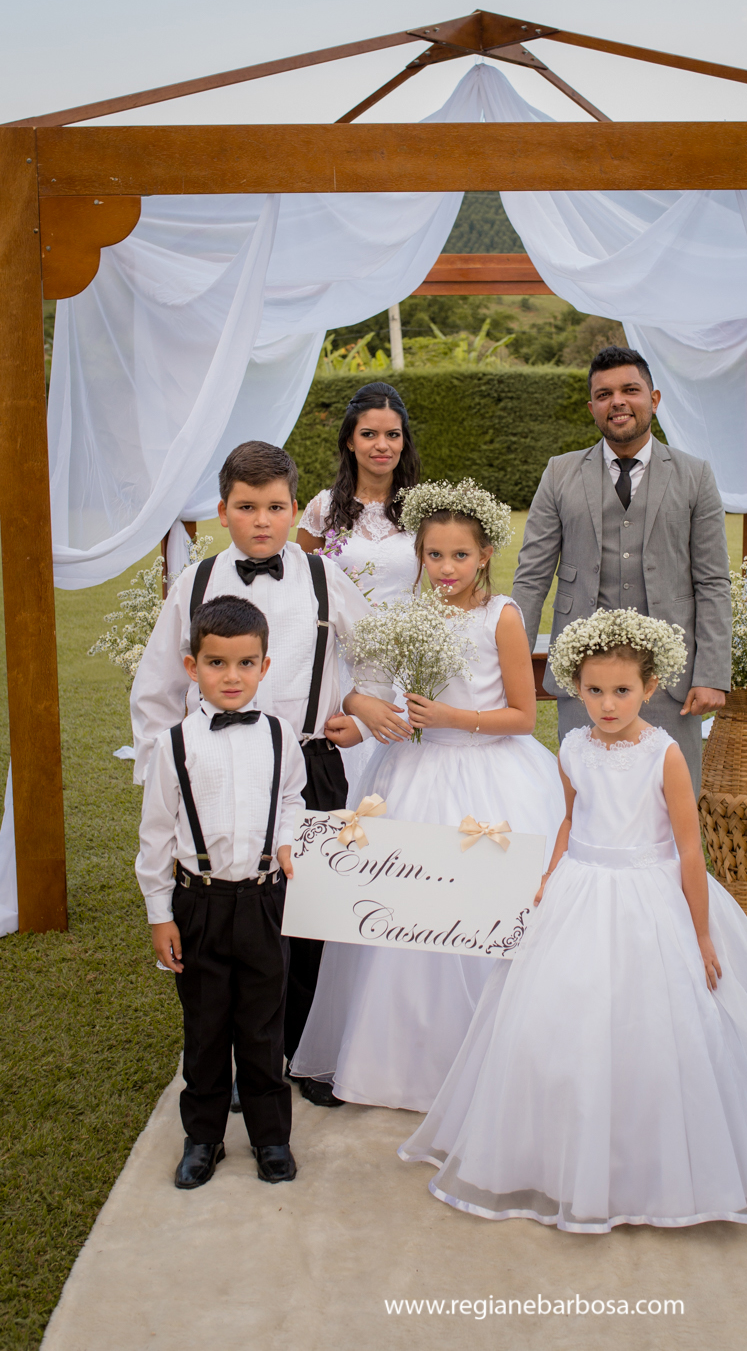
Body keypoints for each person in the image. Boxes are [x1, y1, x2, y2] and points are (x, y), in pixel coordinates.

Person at [399, 610, 747, 1231]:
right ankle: (559, 1154)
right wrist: (546, 878)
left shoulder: (663, 754)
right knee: (562, 1018)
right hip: (580, 889)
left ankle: (657, 1163)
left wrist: (699, 931)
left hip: (650, 894)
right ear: (573, 687)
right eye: (593, 690)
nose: (607, 704)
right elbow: (570, 819)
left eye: (622, 691)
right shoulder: (571, 747)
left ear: (650, 688)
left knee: (658, 1023)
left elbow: (689, 848)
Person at [131, 441, 398, 1107]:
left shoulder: (320, 576)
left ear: (293, 509)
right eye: (246, 507)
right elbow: (158, 687)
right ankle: (221, 1064)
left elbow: (374, 654)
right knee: (230, 909)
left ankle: (304, 1054)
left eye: (275, 507)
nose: (261, 521)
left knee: (310, 912)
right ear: (223, 510)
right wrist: (167, 772)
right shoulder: (194, 584)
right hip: (217, 768)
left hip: (308, 761)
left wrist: (358, 717)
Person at [292, 479, 564, 1112]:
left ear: (485, 555)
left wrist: (449, 716)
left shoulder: (503, 617)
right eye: (434, 556)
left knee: (486, 911)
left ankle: (493, 1056)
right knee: (402, 910)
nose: (446, 569)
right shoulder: (407, 616)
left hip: (490, 773)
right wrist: (367, 712)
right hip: (411, 773)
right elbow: (374, 681)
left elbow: (523, 715)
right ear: (419, 556)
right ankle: (399, 1059)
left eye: (460, 556)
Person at [136, 595, 306, 1189]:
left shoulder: (283, 737)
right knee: (206, 1029)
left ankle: (271, 1138)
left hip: (263, 901)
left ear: (264, 666)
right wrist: (161, 915)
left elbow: (290, 801)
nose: (230, 677)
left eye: (244, 664)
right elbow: (156, 835)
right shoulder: (173, 745)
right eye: (216, 664)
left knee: (263, 1027)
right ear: (192, 667)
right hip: (199, 902)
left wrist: (286, 843)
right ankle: (203, 1137)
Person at [512, 346, 731, 793]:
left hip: (669, 680)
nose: (618, 401)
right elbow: (531, 577)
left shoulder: (695, 476)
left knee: (672, 801)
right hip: (583, 679)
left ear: (653, 398)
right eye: (604, 393)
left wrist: (710, 674)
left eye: (630, 390)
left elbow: (712, 581)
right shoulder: (559, 473)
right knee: (587, 799)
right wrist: (510, 664)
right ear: (591, 406)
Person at [296, 382, 420, 790]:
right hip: (342, 661)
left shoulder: (425, 509)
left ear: (404, 441)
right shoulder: (323, 508)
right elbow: (303, 588)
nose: (381, 445)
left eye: (392, 434)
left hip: (411, 658)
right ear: (350, 440)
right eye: (369, 434)